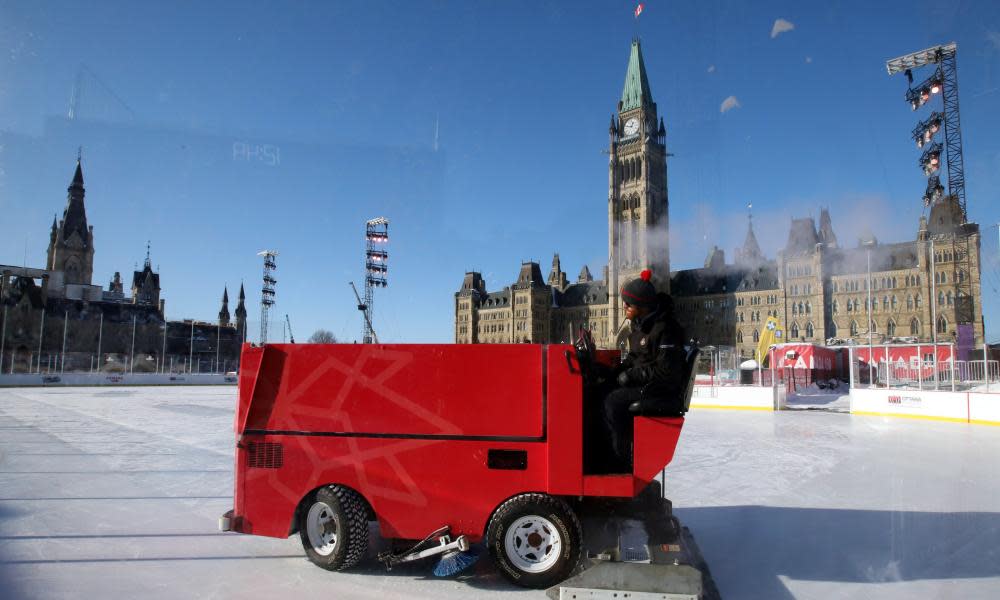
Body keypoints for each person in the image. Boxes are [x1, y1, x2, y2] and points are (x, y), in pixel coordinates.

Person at [600, 269, 687, 471]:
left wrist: (630, 375)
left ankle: (618, 463)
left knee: (613, 402)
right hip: (650, 384)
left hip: (661, 389)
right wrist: (615, 371)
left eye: (628, 304)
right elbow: (636, 357)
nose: (624, 307)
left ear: (642, 306)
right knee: (604, 389)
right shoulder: (643, 326)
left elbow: (667, 371)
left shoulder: (666, 329)